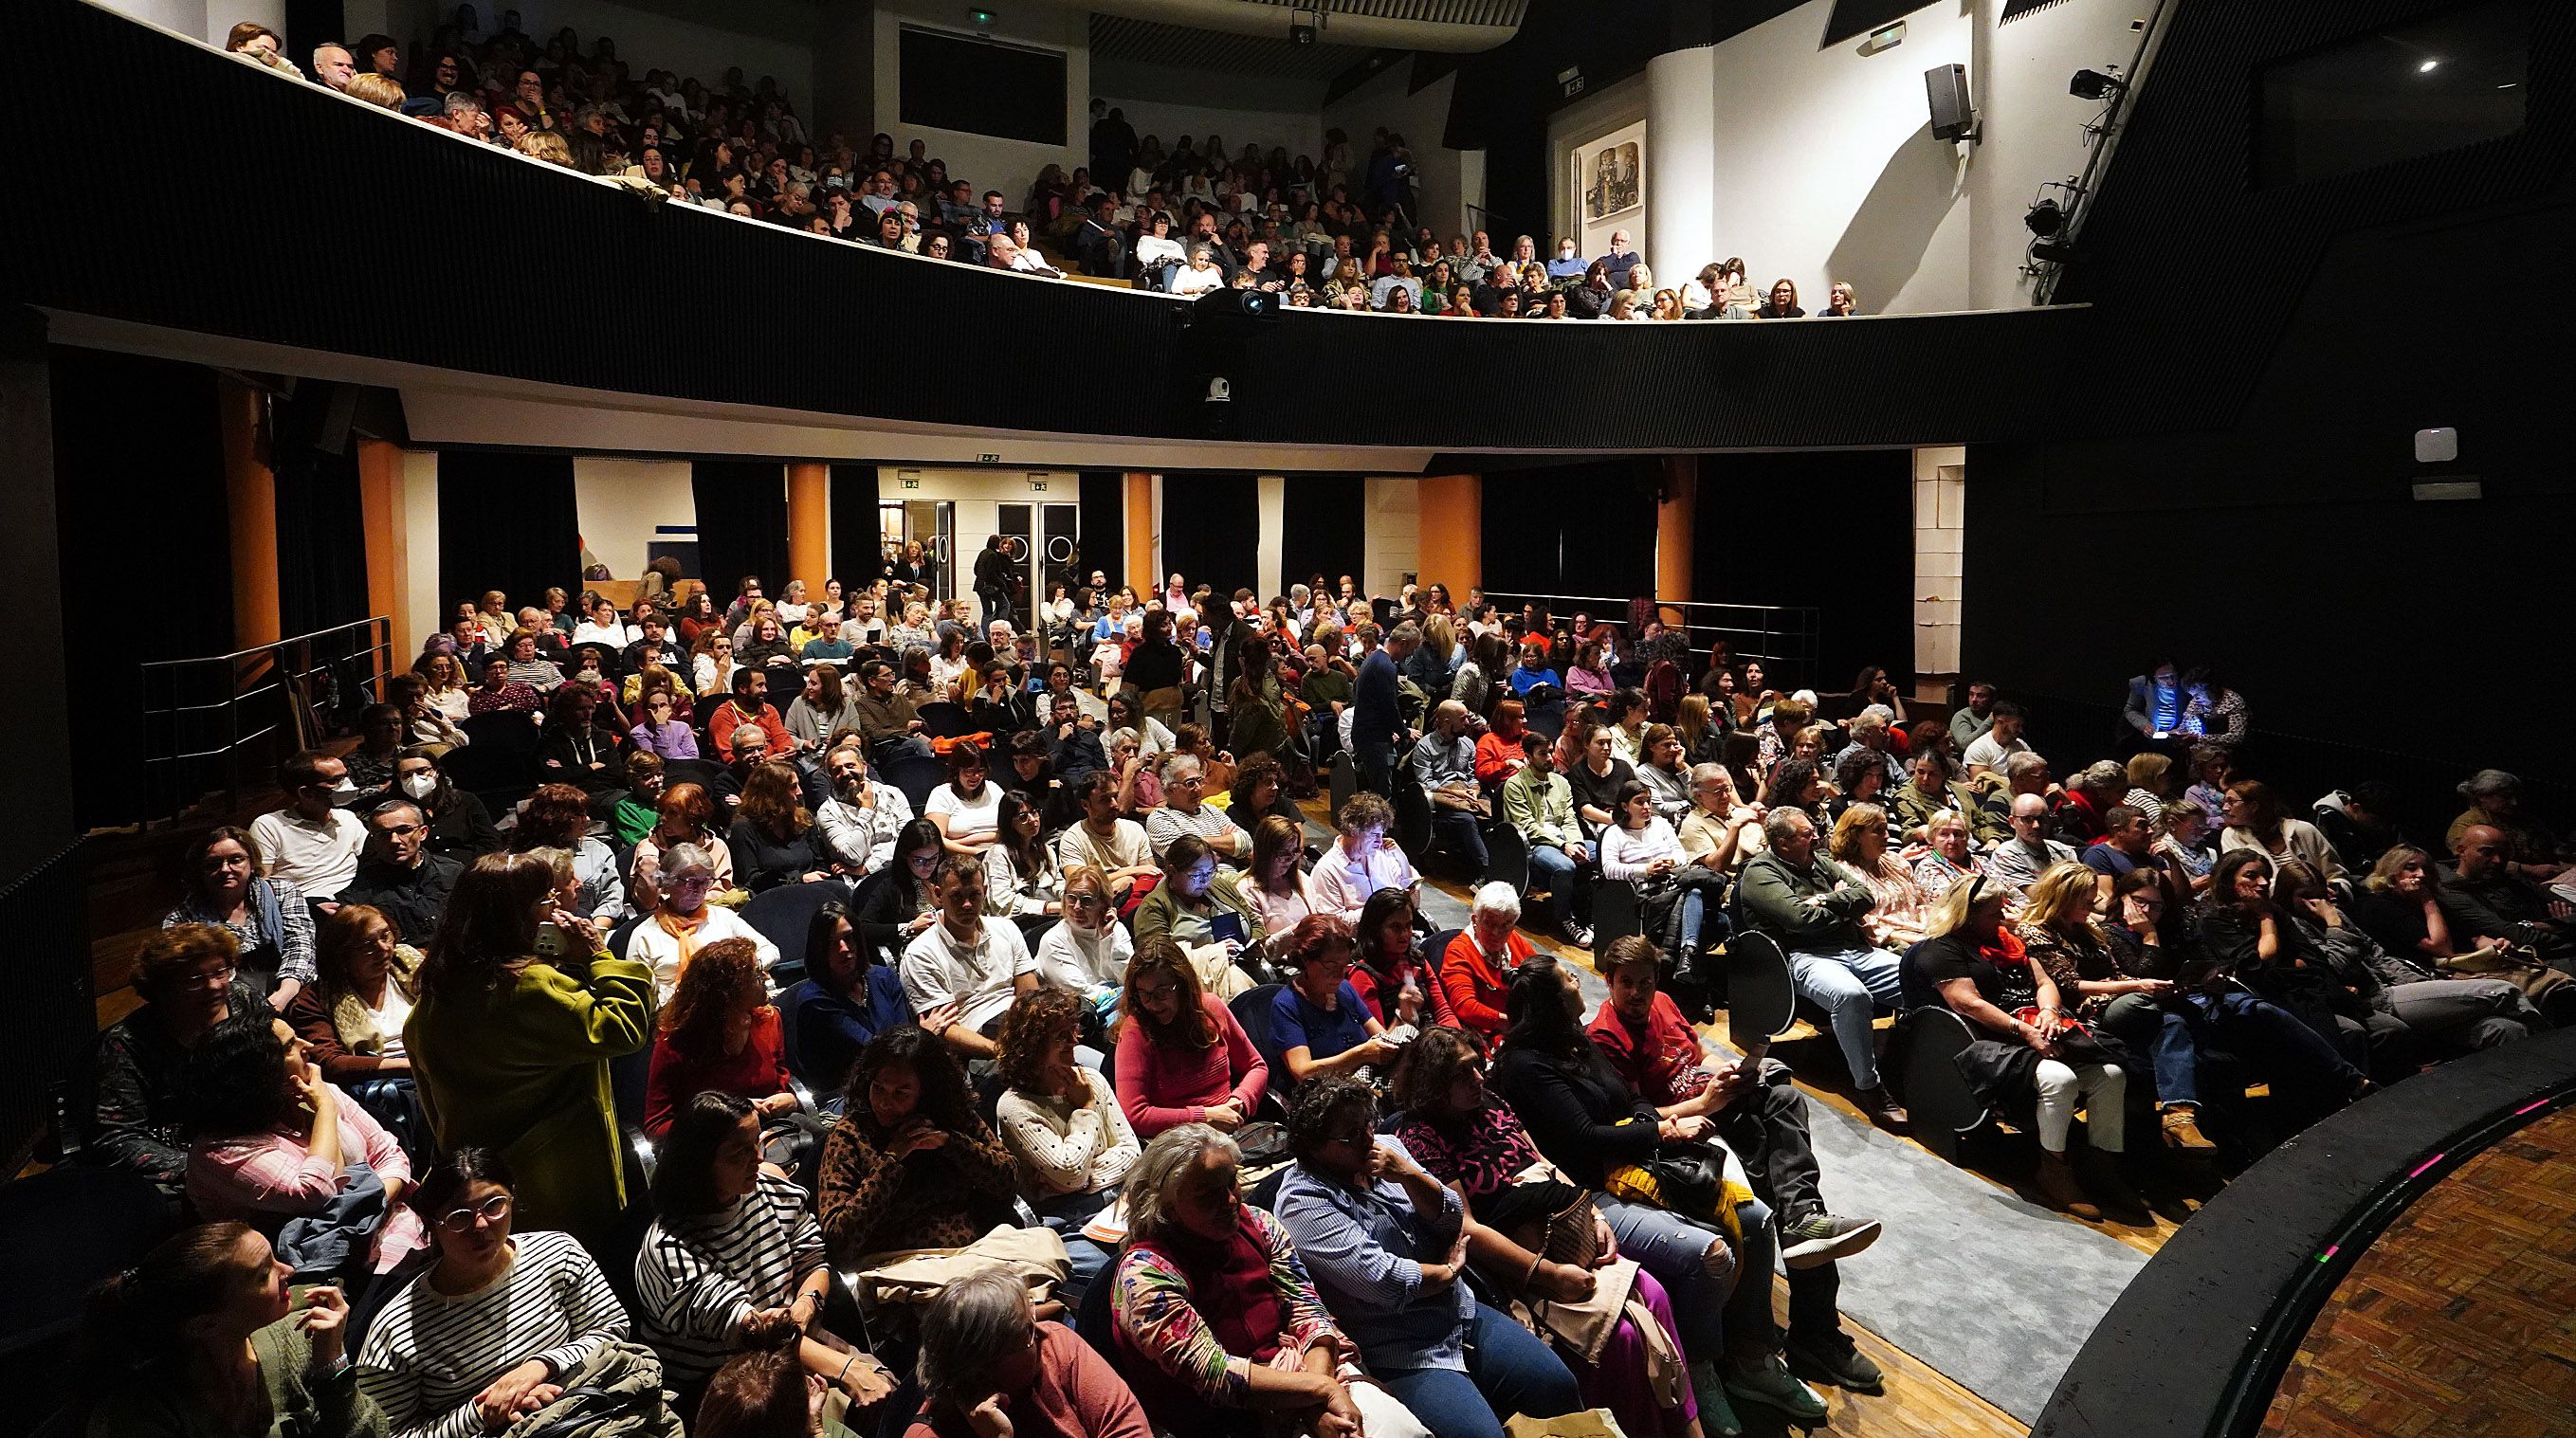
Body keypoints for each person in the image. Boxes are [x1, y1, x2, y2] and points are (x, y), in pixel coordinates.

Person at [1584, 940, 1883, 1388]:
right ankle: (1809, 1335)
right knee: (1776, 1193)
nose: (1637, 994)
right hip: (1684, 1135)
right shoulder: (1605, 1037)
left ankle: (1805, 1220)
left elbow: (1698, 1054)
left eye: (1645, 983)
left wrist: (1724, 1070)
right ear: (1608, 981)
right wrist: (1705, 1100)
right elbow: (1637, 1120)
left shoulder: (1665, 1003)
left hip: (1719, 1105)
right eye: (1626, 983)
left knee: (1783, 1099)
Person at [1390, 1025, 1711, 1438]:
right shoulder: (1419, 1136)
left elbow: (1543, 1162)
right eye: (1462, 1074)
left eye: (1476, 1067)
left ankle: (1684, 1429)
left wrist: (1594, 1215)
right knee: (1624, 1337)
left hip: (1567, 1231)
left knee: (1655, 1294)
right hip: (1517, 1262)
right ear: (1434, 1084)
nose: (1478, 1079)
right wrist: (1548, 1275)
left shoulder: (1490, 1102)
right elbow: (1465, 1227)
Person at [1272, 1078, 1585, 1438]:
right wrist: (1450, 1270)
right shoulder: (1303, 1202)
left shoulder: (1388, 1148)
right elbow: (1386, 1280)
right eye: (1351, 1135)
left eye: (1368, 1124)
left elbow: (1452, 1218)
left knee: (1558, 1385)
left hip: (1458, 1313)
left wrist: (1408, 1176)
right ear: (1313, 1147)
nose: (1368, 1139)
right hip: (1399, 1345)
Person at [1110, 1123, 1429, 1438]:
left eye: (1231, 1182)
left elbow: (1308, 1313)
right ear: (1164, 1205)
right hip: (1224, 1418)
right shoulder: (1145, 1275)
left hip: (1301, 1372)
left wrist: (1316, 1402)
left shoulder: (1260, 1224)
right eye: (1208, 1195)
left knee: (1405, 1431)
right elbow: (1216, 1376)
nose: (1231, 1201)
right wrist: (1321, 1393)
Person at [408, 853, 654, 1244]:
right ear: (513, 916)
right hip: (554, 1176)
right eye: (545, 900)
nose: (556, 907)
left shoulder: (441, 983)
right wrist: (599, 956)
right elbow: (623, 1029)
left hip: (487, 1176)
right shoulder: (530, 986)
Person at [356, 1148, 642, 1438]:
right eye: (459, 1217)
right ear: (432, 1223)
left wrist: (539, 1367)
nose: (480, 1225)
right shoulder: (397, 1328)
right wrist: (484, 1411)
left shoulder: (558, 1253)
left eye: (493, 1205)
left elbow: (611, 1330)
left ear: (512, 1197)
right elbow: (389, 1432)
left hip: (591, 1417)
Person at [635, 1093, 894, 1410]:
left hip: (793, 1340)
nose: (757, 1158)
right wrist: (846, 1369)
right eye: (738, 1153)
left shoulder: (771, 1189)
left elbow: (813, 1260)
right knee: (854, 1400)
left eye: (756, 1143)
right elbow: (753, 1333)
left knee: (890, 1390)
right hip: (726, 1379)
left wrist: (806, 1302)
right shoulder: (670, 1249)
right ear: (698, 1164)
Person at [1911, 877, 2141, 1218]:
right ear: (1967, 914)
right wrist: (2025, 1030)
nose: (2003, 917)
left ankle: (2101, 1166)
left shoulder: (2010, 940)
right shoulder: (1942, 948)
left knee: (2111, 1073)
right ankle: (2053, 1169)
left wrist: (2048, 1011)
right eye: (1993, 912)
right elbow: (1969, 1004)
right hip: (1988, 1040)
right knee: (2059, 1080)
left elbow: (2045, 982)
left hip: (2037, 1026)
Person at [71, 1222, 378, 1438]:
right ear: (205, 1324)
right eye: (263, 1275)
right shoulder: (140, 1416)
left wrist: (332, 1365)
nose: (288, 1271)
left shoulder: (297, 1331)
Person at [181, 1012, 428, 1281]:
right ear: (259, 1073)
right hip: (318, 1269)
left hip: (394, 1226)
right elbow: (315, 1192)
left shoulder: (319, 1091)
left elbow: (391, 1155)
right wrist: (324, 1112)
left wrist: (365, 1206)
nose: (307, 1046)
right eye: (290, 1046)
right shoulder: (219, 1152)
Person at [1738, 810, 1906, 1126]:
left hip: (1854, 948)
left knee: (1917, 978)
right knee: (1850, 994)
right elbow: (1799, 920)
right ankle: (1869, 1088)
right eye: (1806, 834)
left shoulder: (1819, 860)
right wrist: (1842, 904)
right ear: (1784, 843)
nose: (1816, 836)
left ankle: (1909, 1064)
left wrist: (1824, 901)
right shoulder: (1761, 872)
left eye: (1813, 829)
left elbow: (1866, 896)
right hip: (1801, 956)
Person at [817, 1026, 1019, 1264]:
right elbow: (838, 1241)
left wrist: (950, 1143)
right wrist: (891, 1161)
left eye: (900, 1094)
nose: (884, 1103)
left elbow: (1008, 1181)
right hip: (896, 1267)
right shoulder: (850, 1135)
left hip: (971, 1254)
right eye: (878, 1088)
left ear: (927, 1093)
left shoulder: (952, 1117)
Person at [95, 926, 261, 1199]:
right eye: (195, 979)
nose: (214, 986)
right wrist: (203, 1170)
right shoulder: (128, 1043)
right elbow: (117, 1137)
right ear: (163, 988)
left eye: (221, 972)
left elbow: (275, 1065)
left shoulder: (243, 999)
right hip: (182, 1156)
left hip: (249, 1136)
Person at [995, 988, 1136, 1301]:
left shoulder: (1091, 1080)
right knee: (1114, 1276)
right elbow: (1070, 1170)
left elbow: (1131, 1153)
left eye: (1073, 1032)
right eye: (1061, 1036)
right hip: (1064, 1218)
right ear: (1033, 1046)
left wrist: (1086, 1178)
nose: (1074, 1042)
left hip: (1119, 1199)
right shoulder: (1015, 1107)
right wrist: (1084, 1111)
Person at [903, 1267, 1153, 1438]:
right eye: (1027, 1335)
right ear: (981, 1370)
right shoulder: (927, 1434)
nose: (1042, 1333)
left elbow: (1131, 1430)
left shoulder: (1056, 1344)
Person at [283, 904, 426, 1156]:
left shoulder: (417, 968)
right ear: (342, 956)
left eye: (385, 936)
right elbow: (331, 1062)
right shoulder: (315, 999)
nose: (384, 949)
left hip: (431, 1061)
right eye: (367, 946)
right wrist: (411, 1065)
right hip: (380, 1083)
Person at [643, 937, 798, 1146]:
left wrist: (789, 1099)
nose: (765, 977)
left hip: (771, 1133)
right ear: (728, 991)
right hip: (711, 1148)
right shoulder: (676, 1041)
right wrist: (725, 1116)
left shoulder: (769, 1020)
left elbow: (780, 1081)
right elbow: (657, 1126)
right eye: (755, 973)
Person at [1113, 937, 1270, 1141]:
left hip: (1233, 1128)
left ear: (1182, 985)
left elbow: (1256, 1066)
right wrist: (1204, 1117)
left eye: (1162, 993)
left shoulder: (1212, 1008)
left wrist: (1239, 1100)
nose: (1152, 1004)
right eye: (1144, 994)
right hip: (1181, 1141)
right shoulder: (1136, 1031)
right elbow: (1134, 1114)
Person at [783, 901, 933, 1101]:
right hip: (844, 1095)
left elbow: (904, 1034)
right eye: (831, 943)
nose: (844, 949)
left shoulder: (883, 977)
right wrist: (925, 1035)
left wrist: (915, 1039)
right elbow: (874, 1050)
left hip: (897, 1081)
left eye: (848, 938)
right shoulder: (815, 1000)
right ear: (818, 950)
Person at [902, 855, 1043, 1061]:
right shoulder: (920, 954)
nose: (967, 904)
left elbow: (1029, 995)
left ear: (985, 892)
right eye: (957, 896)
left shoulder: (1006, 928)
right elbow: (945, 1029)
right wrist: (1001, 1051)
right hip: (976, 1042)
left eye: (974, 895)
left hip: (1018, 1024)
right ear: (939, 895)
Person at [168, 826, 320, 1009]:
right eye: (213, 863)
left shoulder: (282, 892)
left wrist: (282, 996)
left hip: (290, 991)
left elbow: (300, 944)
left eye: (236, 860)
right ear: (199, 870)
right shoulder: (181, 920)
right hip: (227, 1005)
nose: (225, 869)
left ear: (252, 861)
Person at [1133, 834, 1267, 1001]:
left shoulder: (1221, 887)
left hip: (1250, 966)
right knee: (1234, 978)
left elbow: (1254, 922)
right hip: (1195, 986)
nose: (1205, 881)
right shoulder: (1155, 906)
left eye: (1210, 872)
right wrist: (1215, 954)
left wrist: (1253, 944)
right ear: (1173, 871)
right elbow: (1156, 959)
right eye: (1196, 875)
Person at [1601, 780, 1711, 961]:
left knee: (1694, 892)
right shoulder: (1614, 833)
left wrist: (1671, 861)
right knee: (1694, 893)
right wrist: (1646, 869)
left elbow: (1681, 855)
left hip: (1673, 879)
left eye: (1649, 801)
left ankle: (1683, 954)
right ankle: (1686, 952)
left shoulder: (1661, 824)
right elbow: (1609, 869)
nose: (1646, 806)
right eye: (1639, 801)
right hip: (1646, 891)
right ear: (1624, 806)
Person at [1503, 731, 1593, 946]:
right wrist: (1564, 845)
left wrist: (1576, 843)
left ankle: (1590, 914)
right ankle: (1565, 919)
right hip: (1537, 843)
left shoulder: (1561, 782)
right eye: (1543, 754)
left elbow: (1570, 818)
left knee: (1601, 852)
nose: (1550, 758)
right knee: (1564, 867)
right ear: (1529, 757)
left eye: (1551, 752)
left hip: (1566, 838)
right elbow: (1527, 826)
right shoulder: (1515, 785)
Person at [250, 750, 368, 904]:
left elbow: (371, 859)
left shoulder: (347, 817)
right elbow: (261, 886)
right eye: (335, 781)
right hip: (307, 904)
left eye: (346, 776)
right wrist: (311, 906)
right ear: (305, 793)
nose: (346, 784)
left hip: (356, 896)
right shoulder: (268, 826)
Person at [339, 803, 462, 946]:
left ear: (422, 833)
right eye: (384, 834)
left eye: (404, 830)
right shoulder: (360, 892)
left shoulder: (453, 872)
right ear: (373, 840)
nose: (394, 840)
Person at [1828, 804, 1931, 951]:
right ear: (1856, 835)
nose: (1887, 836)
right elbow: (1870, 928)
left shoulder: (1895, 861)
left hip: (1928, 931)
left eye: (1886, 829)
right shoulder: (1845, 874)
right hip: (1897, 945)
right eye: (1878, 831)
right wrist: (1922, 940)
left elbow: (1922, 902)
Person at [1309, 790, 1418, 922]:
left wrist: (1402, 857)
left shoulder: (1382, 855)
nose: (1380, 841)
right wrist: (1382, 909)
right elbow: (1334, 923)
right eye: (1374, 835)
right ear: (1353, 830)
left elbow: (1410, 889)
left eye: (1381, 834)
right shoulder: (1326, 870)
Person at [814, 740, 914, 880]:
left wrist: (867, 867)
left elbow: (911, 842)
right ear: (831, 778)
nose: (845, 773)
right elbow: (853, 856)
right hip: (864, 883)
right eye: (837, 770)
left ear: (864, 767)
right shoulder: (827, 812)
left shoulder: (892, 794)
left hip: (905, 870)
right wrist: (866, 810)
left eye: (850, 766)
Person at [2219, 781, 2345, 891]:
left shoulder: (2302, 830)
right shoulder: (2231, 836)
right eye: (2224, 802)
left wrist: (2335, 891)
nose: (2225, 808)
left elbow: (2336, 874)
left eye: (2231, 802)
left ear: (2253, 806)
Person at [1033, 865, 1132, 1003]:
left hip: (1116, 1003)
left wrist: (1108, 939)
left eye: (1087, 900)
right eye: (1072, 898)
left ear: (1104, 903)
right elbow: (1082, 996)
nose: (1077, 907)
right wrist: (1124, 994)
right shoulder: (1054, 940)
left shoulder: (1117, 930)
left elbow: (1128, 979)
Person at [727, 763, 825, 893]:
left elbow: (821, 864)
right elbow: (751, 880)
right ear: (772, 794)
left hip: (813, 891)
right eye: (793, 787)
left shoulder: (804, 820)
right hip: (771, 898)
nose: (800, 792)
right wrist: (799, 880)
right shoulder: (744, 829)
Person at [392, 749, 503, 861]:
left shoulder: (466, 800)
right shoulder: (396, 811)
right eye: (407, 775)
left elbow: (491, 842)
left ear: (437, 772)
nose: (415, 779)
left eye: (422, 771)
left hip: (468, 867)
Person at [1985, 792, 2077, 894]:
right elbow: (2038, 895)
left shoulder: (2063, 850)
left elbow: (2084, 885)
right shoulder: (2005, 855)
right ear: (2012, 822)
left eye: (2042, 819)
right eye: (2027, 819)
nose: (2036, 825)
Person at [1960, 701, 2031, 777]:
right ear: (2000, 723)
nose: (2020, 730)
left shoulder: (2021, 745)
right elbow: (1982, 784)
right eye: (2016, 725)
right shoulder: (1979, 748)